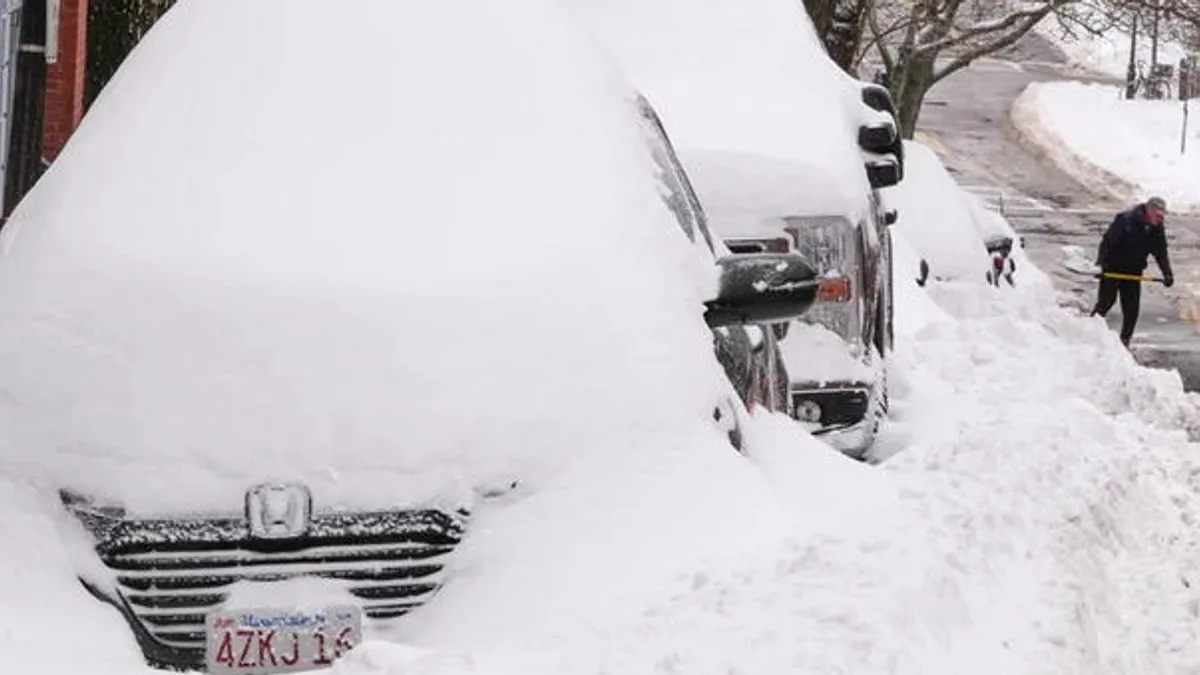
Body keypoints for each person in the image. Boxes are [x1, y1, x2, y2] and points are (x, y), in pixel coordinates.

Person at [1090, 196, 1174, 347]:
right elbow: (1108, 242)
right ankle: (1088, 331)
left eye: (1162, 216)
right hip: (1113, 268)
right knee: (1106, 302)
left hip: (1134, 271)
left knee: (1131, 309)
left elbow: (1161, 252)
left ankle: (1125, 341)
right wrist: (1100, 264)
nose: (1160, 219)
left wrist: (1167, 273)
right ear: (1149, 210)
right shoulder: (1126, 221)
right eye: (1158, 215)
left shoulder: (1157, 229)